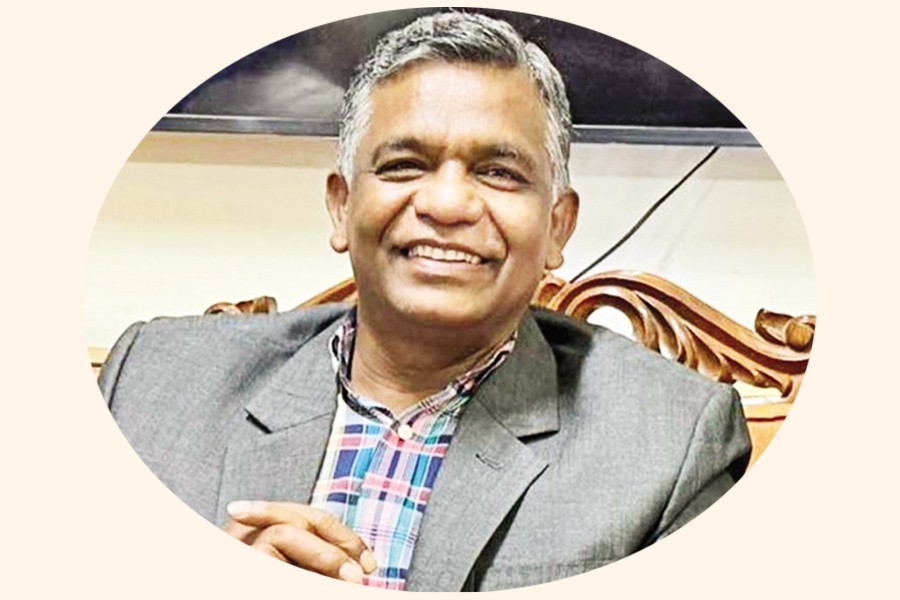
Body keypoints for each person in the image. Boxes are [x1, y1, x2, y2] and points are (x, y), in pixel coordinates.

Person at [98, 11, 751, 592]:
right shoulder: (152, 383)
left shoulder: (672, 444)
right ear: (341, 207)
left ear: (558, 228)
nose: (446, 204)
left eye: (498, 173)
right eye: (404, 165)